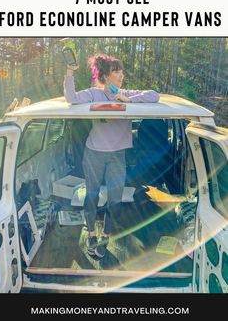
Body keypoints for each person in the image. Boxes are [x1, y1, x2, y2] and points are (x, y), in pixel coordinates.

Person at [64, 53, 160, 258]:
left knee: (115, 200)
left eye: (122, 71)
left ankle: (106, 235)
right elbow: (71, 99)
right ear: (106, 76)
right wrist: (70, 72)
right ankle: (91, 234)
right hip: (94, 153)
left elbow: (154, 95)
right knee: (92, 195)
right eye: (117, 71)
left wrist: (129, 99)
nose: (122, 75)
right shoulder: (94, 94)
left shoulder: (126, 92)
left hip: (117, 155)